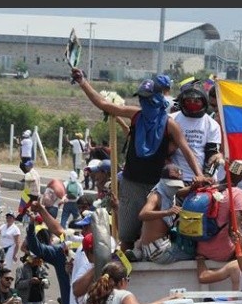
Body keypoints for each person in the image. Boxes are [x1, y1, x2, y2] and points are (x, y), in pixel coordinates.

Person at [70, 67, 204, 252]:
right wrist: (82, 82)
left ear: (157, 99)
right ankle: (125, 276)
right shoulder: (136, 115)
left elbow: (187, 150)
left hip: (156, 187)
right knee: (127, 237)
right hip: (131, 183)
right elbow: (103, 104)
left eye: (148, 98)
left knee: (152, 236)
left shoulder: (169, 124)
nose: (144, 102)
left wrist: (200, 175)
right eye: (141, 98)